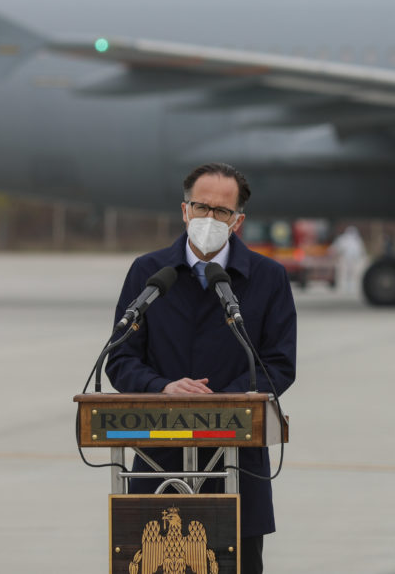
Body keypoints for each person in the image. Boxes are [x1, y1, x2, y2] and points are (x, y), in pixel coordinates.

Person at [106, 162, 297, 574]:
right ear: (184, 210)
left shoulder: (267, 278)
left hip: (236, 458)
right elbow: (120, 359)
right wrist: (163, 388)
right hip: (160, 457)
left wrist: (226, 399)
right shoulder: (148, 273)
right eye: (201, 207)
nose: (209, 218)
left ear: (238, 221)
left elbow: (279, 364)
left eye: (221, 211)